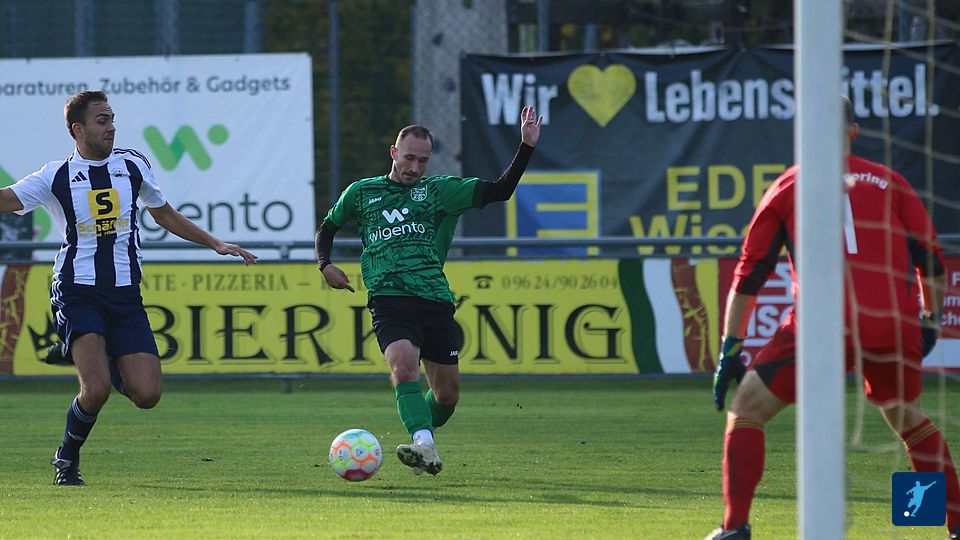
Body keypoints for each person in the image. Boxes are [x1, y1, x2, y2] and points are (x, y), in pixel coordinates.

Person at [706, 97, 958, 539]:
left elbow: (748, 275)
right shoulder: (890, 182)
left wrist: (731, 347)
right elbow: (932, 264)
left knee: (745, 410)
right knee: (910, 421)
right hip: (889, 321)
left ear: (804, 133)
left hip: (821, 323)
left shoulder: (788, 186)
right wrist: (929, 319)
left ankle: (734, 528)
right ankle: (953, 526)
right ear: (854, 132)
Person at [0, 90, 258, 486]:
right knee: (96, 389)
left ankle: (87, 352)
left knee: (147, 395)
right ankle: (66, 460)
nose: (111, 127)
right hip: (77, 290)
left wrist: (215, 243)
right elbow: (4, 200)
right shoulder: (55, 176)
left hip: (125, 294)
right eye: (102, 120)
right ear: (78, 129)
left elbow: (164, 213)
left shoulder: (132, 164)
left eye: (112, 119)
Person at [315, 106, 543, 475]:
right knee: (403, 366)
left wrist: (526, 146)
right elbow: (327, 227)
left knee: (447, 396)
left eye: (423, 160)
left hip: (434, 297)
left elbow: (501, 191)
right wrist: (325, 265)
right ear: (394, 152)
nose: (415, 167)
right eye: (409, 158)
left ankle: (423, 440)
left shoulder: (439, 191)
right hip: (388, 296)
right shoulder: (363, 192)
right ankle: (423, 443)